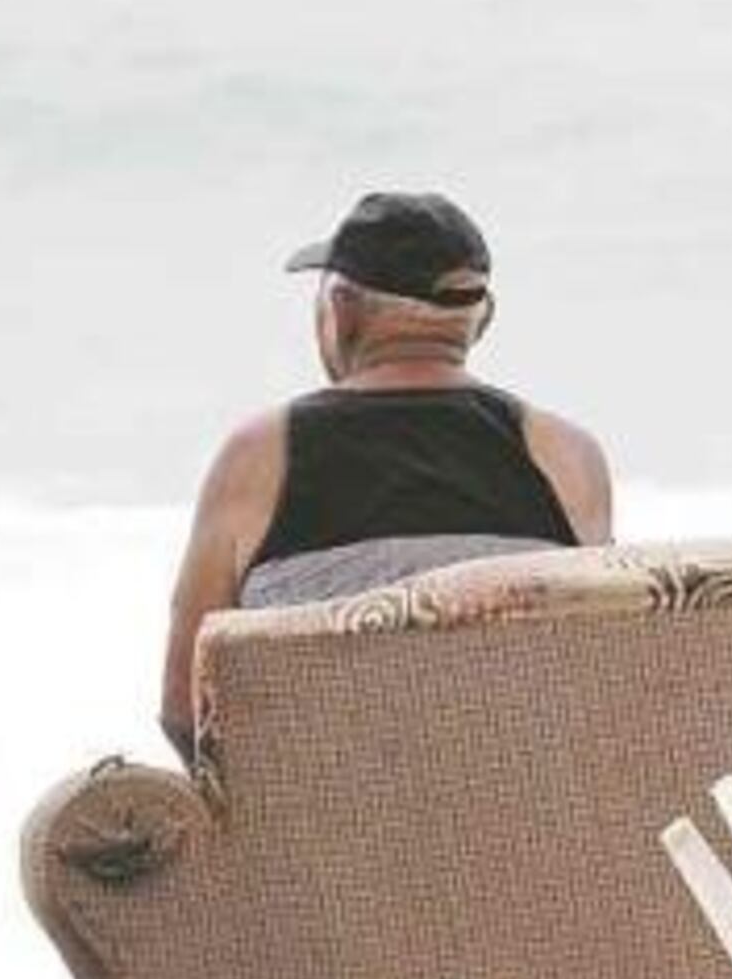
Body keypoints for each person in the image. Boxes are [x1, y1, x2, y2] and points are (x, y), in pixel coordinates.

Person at [158, 190, 612, 760]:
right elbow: (601, 676)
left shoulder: (259, 456)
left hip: (320, 834)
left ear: (341, 310)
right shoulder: (565, 456)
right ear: (482, 318)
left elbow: (184, 707)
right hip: (533, 829)